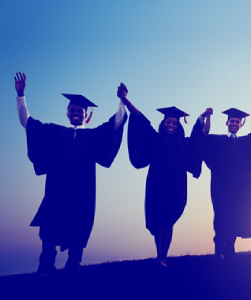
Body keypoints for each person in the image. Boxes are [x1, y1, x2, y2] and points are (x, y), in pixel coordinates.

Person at [14, 72, 127, 274]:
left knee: (79, 226)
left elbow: (116, 124)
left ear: (86, 114)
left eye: (80, 111)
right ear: (67, 113)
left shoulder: (92, 136)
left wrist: (122, 100)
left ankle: (73, 265)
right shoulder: (55, 132)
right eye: (73, 110)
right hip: (57, 191)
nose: (76, 113)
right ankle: (46, 266)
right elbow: (27, 123)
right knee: (49, 228)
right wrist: (21, 94)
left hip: (82, 193)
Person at [118, 84, 204, 267]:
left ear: (178, 125)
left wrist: (202, 118)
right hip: (156, 185)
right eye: (168, 122)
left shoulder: (183, 144)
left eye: (174, 123)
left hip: (176, 187)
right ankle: (160, 255)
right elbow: (141, 120)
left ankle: (162, 257)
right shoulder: (155, 139)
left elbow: (197, 139)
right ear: (163, 123)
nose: (171, 125)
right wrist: (125, 100)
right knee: (158, 222)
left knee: (168, 220)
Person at [201, 107, 251, 260]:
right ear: (227, 123)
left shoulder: (246, 142)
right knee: (220, 216)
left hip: (239, 188)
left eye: (237, 121)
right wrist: (207, 117)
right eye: (232, 121)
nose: (234, 123)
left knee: (235, 216)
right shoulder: (218, 140)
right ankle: (219, 248)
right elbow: (203, 137)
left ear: (240, 124)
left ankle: (230, 247)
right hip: (220, 186)